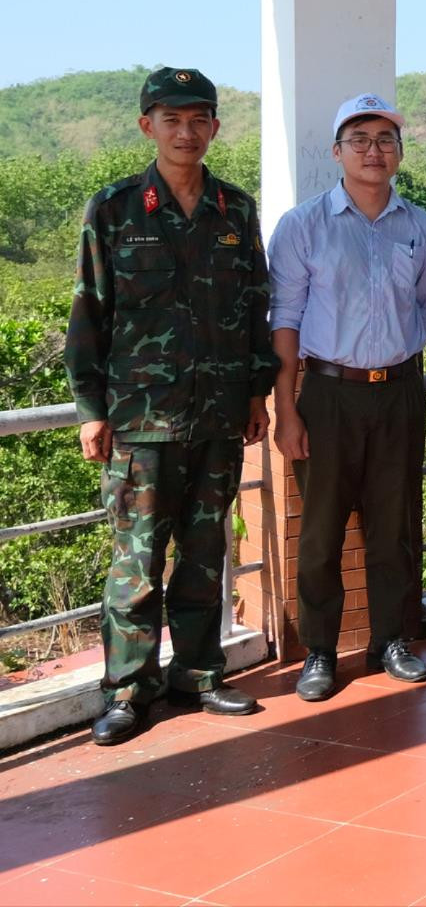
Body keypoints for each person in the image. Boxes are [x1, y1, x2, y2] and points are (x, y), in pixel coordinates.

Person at [65, 68, 275, 745]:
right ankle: (127, 691)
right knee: (136, 563)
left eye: (199, 120)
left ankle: (198, 674)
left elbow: (255, 310)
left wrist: (256, 392)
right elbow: (89, 313)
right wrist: (90, 408)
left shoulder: (237, 211)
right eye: (171, 119)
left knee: (206, 552)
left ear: (215, 127)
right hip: (139, 422)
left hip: (217, 417)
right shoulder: (116, 209)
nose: (186, 133)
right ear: (147, 126)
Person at [269, 93, 426, 701]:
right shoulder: (303, 225)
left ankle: (390, 641)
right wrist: (286, 408)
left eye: (386, 140)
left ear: (399, 152)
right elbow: (284, 321)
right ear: (338, 152)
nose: (375, 151)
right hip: (326, 393)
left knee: (394, 526)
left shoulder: (419, 227)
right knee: (320, 529)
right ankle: (320, 649)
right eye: (361, 140)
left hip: (398, 393)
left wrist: (390, 355)